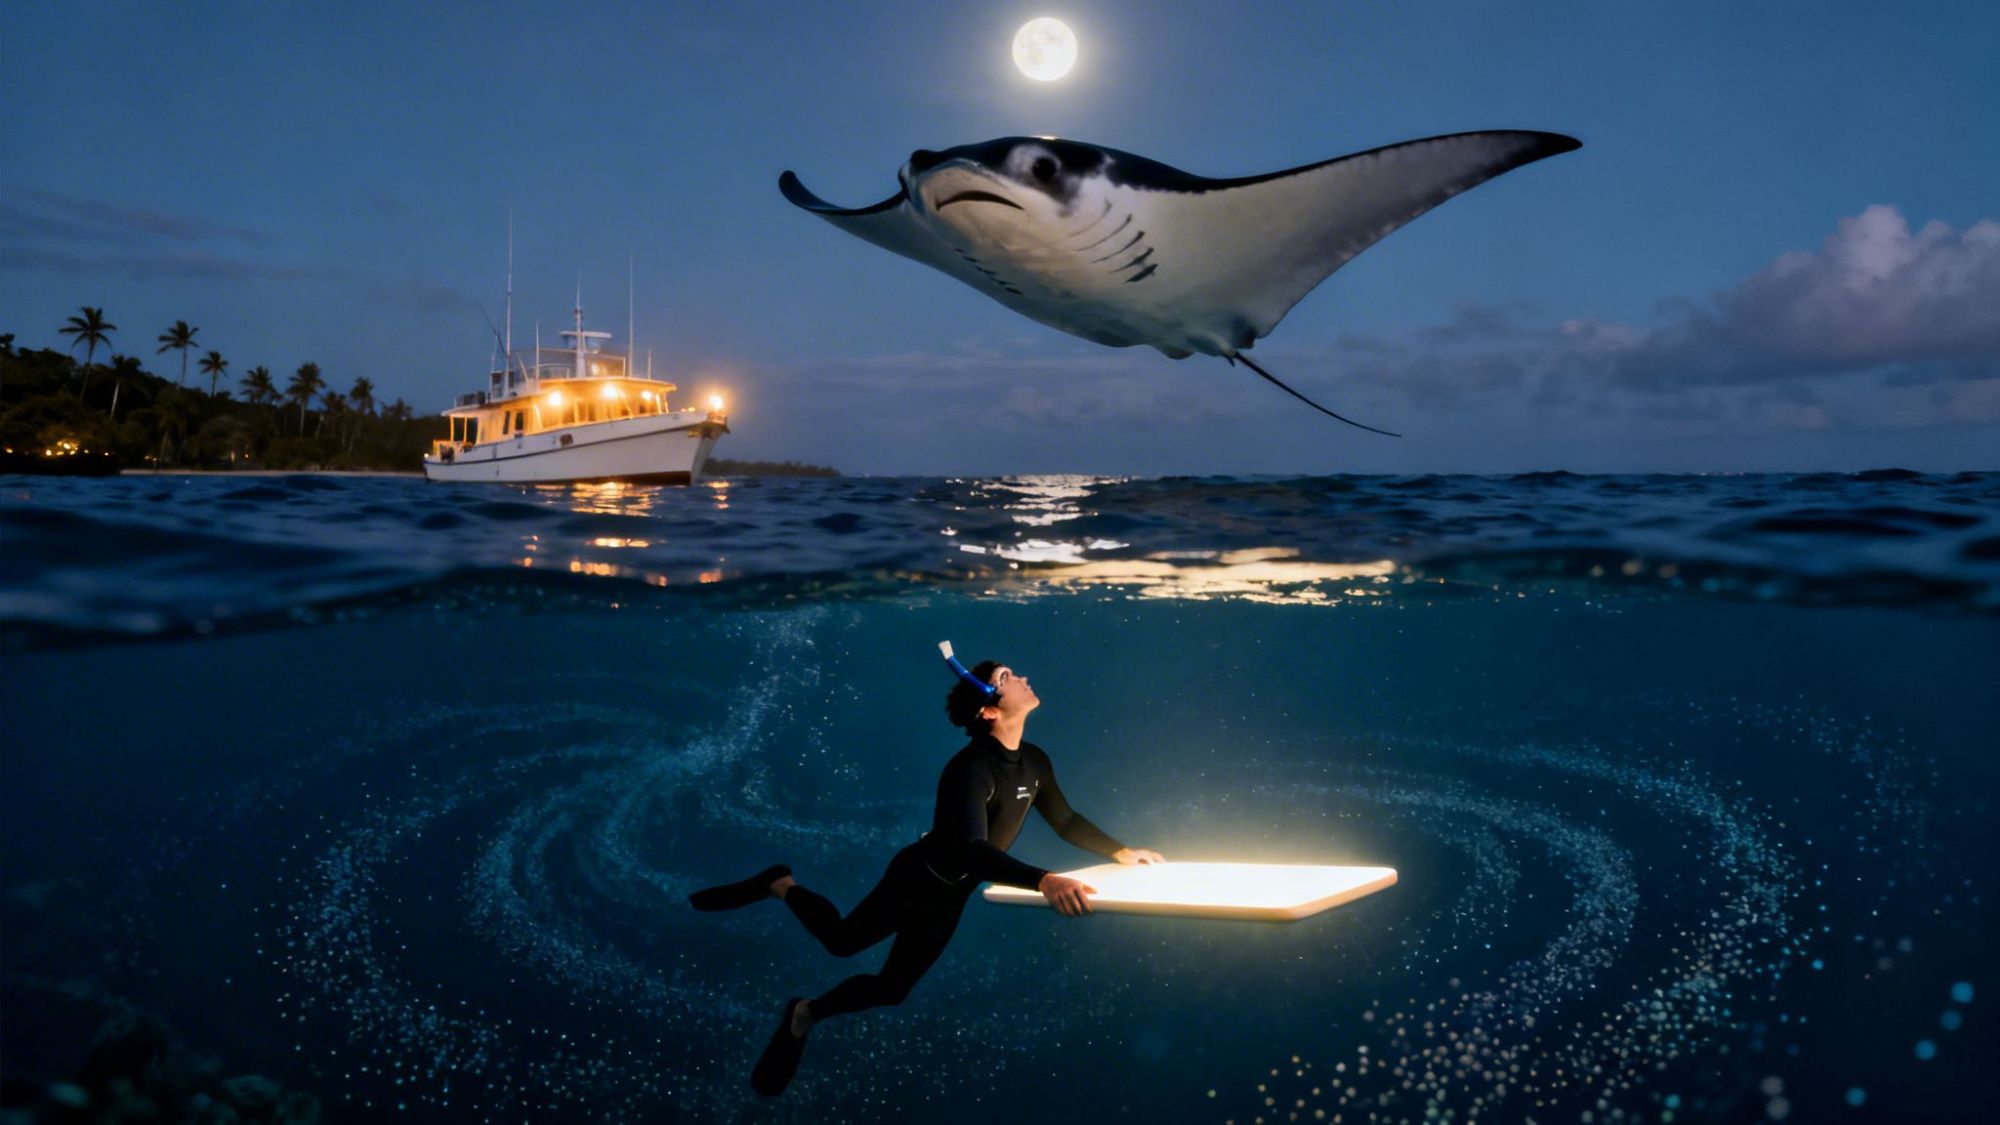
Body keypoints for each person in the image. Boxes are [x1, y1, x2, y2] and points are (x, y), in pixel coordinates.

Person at [687, 647, 1163, 1097]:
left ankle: (805, 1012)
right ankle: (780, 884)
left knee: (892, 991)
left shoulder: (1034, 761)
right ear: (989, 711)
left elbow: (1064, 820)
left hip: (950, 894)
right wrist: (1045, 879)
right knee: (841, 942)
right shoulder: (970, 769)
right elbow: (975, 851)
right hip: (916, 879)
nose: (1020, 678)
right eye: (1005, 678)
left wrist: (1120, 851)